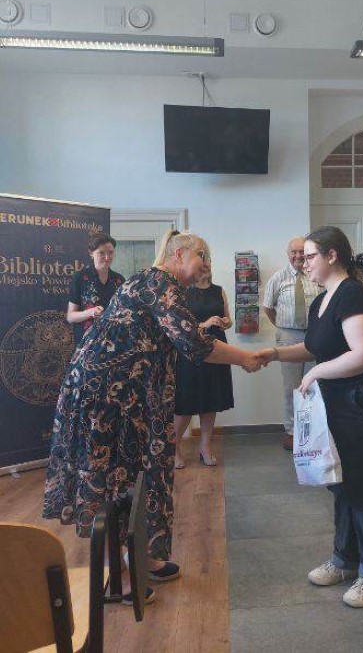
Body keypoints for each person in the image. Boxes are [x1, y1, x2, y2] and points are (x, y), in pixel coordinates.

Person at [43, 230, 263, 604]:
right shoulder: (157, 284)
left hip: (127, 399)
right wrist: (246, 358)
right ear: (178, 255)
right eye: (201, 256)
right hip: (102, 400)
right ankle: (118, 576)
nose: (205, 265)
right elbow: (194, 342)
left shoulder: (157, 285)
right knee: (109, 481)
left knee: (137, 474)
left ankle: (142, 555)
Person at [257, 226, 363, 608]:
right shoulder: (323, 299)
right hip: (337, 404)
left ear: (333, 255)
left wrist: (316, 372)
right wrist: (274, 353)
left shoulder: (352, 293)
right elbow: (314, 346)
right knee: (340, 483)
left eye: (310, 256)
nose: (304, 263)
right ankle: (345, 559)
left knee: (362, 488)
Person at [263, 237, 322, 450]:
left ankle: (312, 431)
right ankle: (291, 431)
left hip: (314, 336)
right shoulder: (278, 278)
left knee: (313, 385)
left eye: (301, 251)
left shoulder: (316, 275)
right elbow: (268, 308)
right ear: (288, 254)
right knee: (291, 387)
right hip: (288, 336)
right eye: (293, 252)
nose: (298, 256)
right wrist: (284, 326)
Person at [173, 261, 234, 468]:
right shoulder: (183, 292)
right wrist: (204, 324)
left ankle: (205, 447)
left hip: (217, 348)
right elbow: (180, 325)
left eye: (208, 264)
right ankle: (174, 447)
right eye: (202, 264)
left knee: (211, 400)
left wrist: (225, 322)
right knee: (186, 403)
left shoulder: (219, 291)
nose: (205, 267)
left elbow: (228, 319)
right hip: (191, 351)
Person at [66, 231, 125, 347]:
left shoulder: (119, 280)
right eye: (101, 253)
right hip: (88, 344)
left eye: (110, 252)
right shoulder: (80, 278)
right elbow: (70, 317)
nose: (107, 257)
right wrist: (90, 312)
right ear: (91, 253)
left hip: (114, 343)